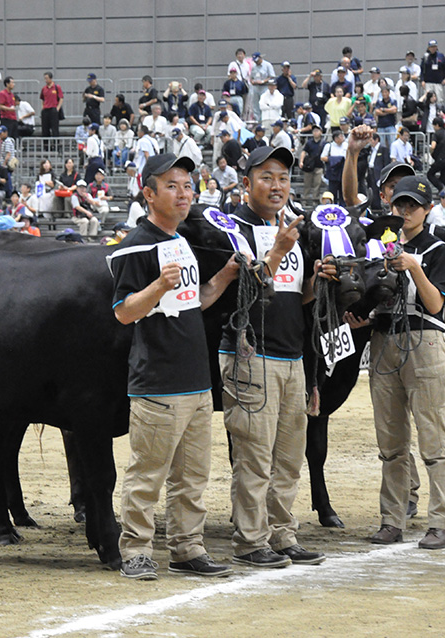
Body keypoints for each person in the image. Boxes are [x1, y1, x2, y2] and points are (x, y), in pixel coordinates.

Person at [109, 153, 238, 580]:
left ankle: (188, 548)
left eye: (187, 185)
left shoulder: (181, 241)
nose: (183, 194)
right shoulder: (135, 245)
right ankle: (136, 551)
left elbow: (193, 302)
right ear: (148, 193)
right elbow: (124, 312)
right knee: (147, 474)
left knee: (192, 476)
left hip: (196, 381)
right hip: (158, 382)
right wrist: (159, 284)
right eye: (171, 186)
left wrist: (225, 276)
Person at [218, 146, 327, 568]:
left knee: (288, 457)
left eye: (282, 177)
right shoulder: (231, 227)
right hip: (250, 354)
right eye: (266, 176)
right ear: (246, 183)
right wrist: (278, 251)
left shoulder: (296, 228)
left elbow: (300, 299)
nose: (277, 185)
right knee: (253, 455)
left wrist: (318, 282)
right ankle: (250, 540)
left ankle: (283, 535)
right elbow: (242, 292)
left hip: (291, 355)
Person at [344, 176, 445, 549]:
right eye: (401, 205)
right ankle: (392, 519)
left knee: (433, 438)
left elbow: (437, 304)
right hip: (383, 338)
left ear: (427, 209)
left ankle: (442, 522)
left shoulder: (438, 247)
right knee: (391, 441)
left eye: (413, 206)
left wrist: (413, 267)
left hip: (425, 337)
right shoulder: (377, 246)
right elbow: (365, 301)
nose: (406, 212)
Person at [40, 72, 64, 139]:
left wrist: (57, 108)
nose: (45, 80)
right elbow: (42, 99)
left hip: (53, 109)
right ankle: (46, 147)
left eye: (47, 78)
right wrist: (43, 107)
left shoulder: (57, 87)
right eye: (45, 78)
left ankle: (56, 145)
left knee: (55, 129)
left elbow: (61, 98)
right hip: (46, 110)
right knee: (45, 129)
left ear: (51, 78)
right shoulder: (44, 88)